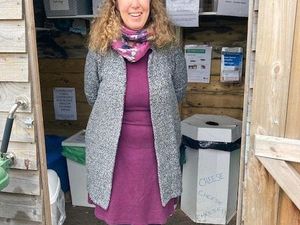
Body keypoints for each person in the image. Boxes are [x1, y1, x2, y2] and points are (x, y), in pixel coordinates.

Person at [84, 0, 187, 224]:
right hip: (113, 154)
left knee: (152, 217)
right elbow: (91, 94)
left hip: (157, 155)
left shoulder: (169, 48)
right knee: (118, 217)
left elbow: (178, 92)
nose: (135, 5)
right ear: (115, 4)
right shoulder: (99, 48)